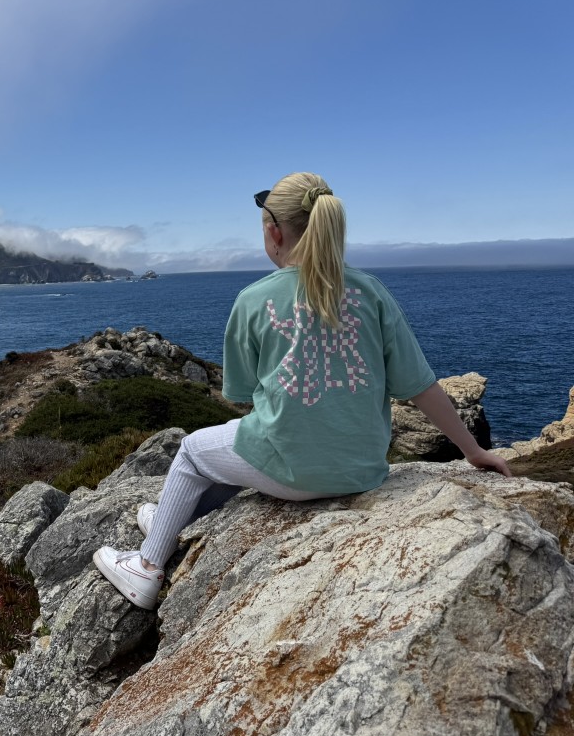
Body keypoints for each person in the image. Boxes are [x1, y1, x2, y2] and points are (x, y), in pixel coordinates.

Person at [93, 171, 512, 610]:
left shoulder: (253, 299)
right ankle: (171, 521)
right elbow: (421, 385)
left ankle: (147, 566)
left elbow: (241, 393)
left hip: (293, 473)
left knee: (195, 452)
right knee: (233, 449)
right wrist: (472, 451)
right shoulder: (371, 292)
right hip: (362, 470)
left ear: (274, 233)